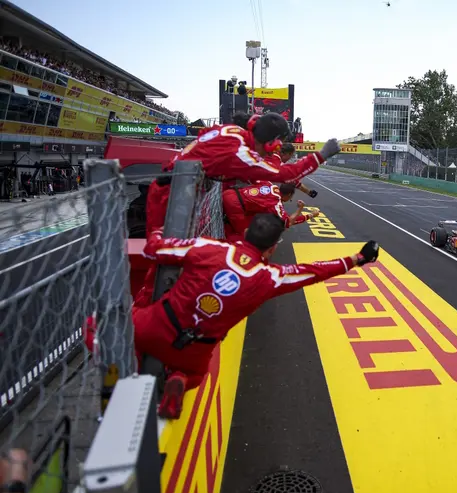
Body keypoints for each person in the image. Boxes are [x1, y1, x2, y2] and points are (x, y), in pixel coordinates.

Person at [134, 213, 380, 418]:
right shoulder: (270, 278)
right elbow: (314, 271)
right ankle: (179, 378)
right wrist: (357, 258)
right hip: (195, 347)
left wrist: (158, 230)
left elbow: (153, 249)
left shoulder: (207, 247)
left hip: (157, 323)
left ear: (244, 234)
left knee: (109, 326)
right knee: (197, 375)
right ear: (272, 249)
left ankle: (120, 366)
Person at [145, 112, 340, 236]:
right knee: (165, 258)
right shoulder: (241, 154)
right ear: (271, 143)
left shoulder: (233, 131)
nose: (275, 150)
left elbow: (205, 132)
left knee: (173, 253)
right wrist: (321, 155)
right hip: (173, 196)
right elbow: (284, 174)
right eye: (276, 145)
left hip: (175, 186)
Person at [223, 181, 318, 241]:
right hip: (234, 206)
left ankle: (228, 225)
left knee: (255, 218)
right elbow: (288, 222)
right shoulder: (276, 203)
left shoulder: (268, 183)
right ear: (289, 195)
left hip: (230, 192)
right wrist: (302, 210)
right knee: (247, 237)